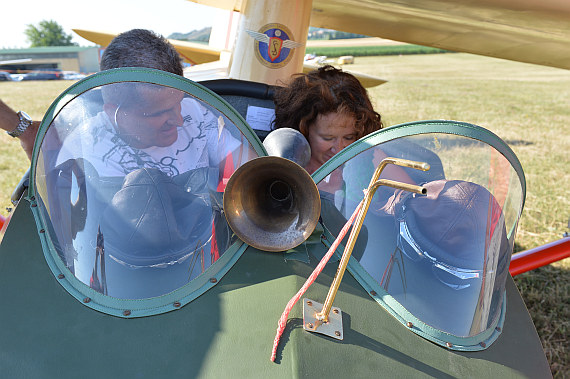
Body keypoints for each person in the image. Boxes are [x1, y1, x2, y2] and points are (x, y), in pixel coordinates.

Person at [272, 65, 383, 174]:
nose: (339, 149)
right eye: (327, 138)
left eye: (349, 137)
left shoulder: (374, 160)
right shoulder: (288, 168)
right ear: (303, 129)